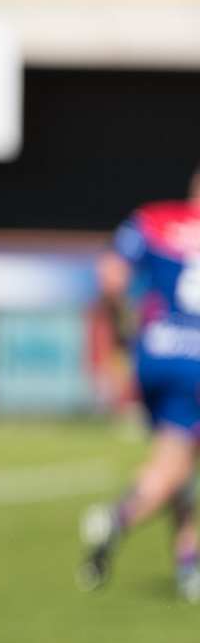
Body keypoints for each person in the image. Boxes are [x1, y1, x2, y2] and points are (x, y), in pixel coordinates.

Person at [78, 165, 200, 603]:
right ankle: (116, 518)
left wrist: (122, 328)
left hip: (155, 351)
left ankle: (188, 566)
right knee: (175, 465)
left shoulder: (152, 219)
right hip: (197, 363)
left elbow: (110, 278)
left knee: (177, 460)